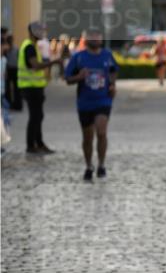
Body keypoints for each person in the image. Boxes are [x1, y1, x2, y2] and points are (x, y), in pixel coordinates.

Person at [64, 27, 118, 181]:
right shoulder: (79, 58)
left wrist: (113, 85)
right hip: (85, 102)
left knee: (101, 132)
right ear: (86, 39)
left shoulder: (107, 55)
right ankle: (89, 165)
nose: (95, 39)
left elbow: (113, 70)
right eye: (92, 36)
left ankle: (101, 165)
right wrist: (79, 77)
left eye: (98, 36)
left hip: (103, 100)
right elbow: (67, 79)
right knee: (88, 137)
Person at [17, 21, 58, 154]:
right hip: (30, 88)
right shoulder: (29, 47)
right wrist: (53, 62)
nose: (42, 33)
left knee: (38, 116)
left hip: (35, 87)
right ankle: (31, 146)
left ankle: (38, 144)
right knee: (35, 116)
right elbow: (35, 65)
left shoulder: (32, 45)